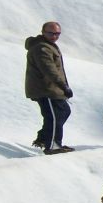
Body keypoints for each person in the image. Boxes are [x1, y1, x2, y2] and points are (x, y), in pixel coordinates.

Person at [25, 21, 74, 154]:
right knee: (55, 116)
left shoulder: (49, 46)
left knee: (63, 111)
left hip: (52, 89)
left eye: (57, 33)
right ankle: (52, 145)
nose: (54, 36)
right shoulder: (42, 48)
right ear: (43, 32)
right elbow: (49, 70)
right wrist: (63, 86)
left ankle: (44, 138)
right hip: (45, 89)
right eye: (51, 33)